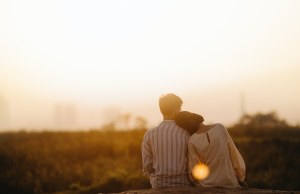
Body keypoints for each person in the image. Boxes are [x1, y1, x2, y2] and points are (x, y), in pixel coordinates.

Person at [175, 111, 247, 189]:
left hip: (207, 185)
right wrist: (240, 177)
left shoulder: (192, 141)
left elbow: (193, 171)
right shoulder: (220, 128)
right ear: (196, 116)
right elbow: (234, 155)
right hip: (230, 182)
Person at [141, 94, 191, 188]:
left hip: (158, 185)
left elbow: (147, 167)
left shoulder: (149, 134)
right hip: (184, 184)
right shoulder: (186, 132)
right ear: (176, 109)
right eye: (180, 108)